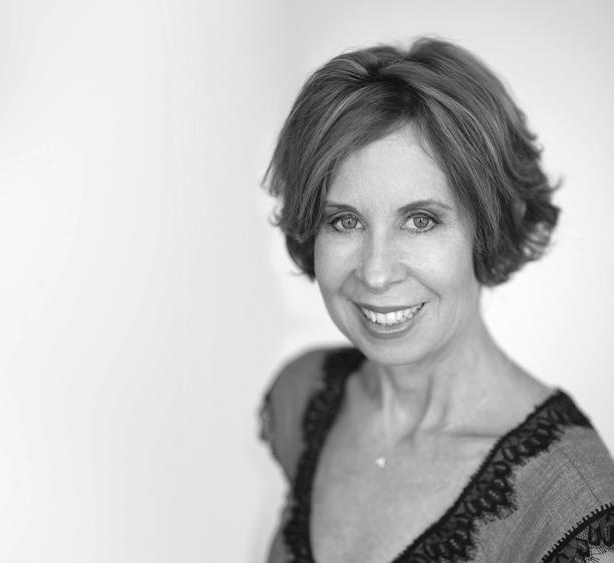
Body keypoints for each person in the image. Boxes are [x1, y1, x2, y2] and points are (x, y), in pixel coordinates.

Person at [259, 37, 614, 563]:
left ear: (489, 229)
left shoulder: (574, 505)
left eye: (420, 220)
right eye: (345, 221)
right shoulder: (301, 396)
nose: (376, 272)